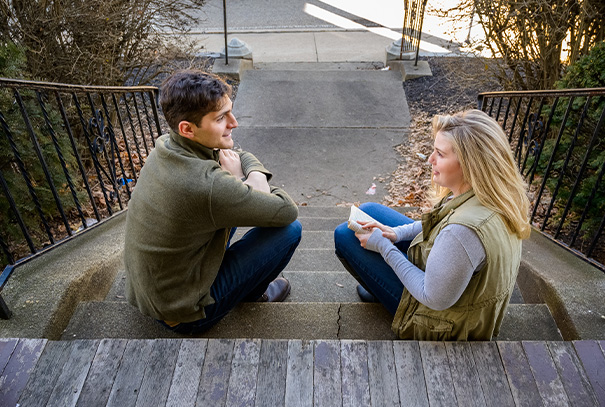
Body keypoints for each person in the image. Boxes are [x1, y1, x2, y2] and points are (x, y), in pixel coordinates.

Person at [124, 70, 302, 335]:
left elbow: (234, 152)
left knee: (235, 204)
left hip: (151, 291)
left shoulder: (167, 145)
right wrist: (246, 178)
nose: (234, 122)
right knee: (289, 231)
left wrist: (242, 180)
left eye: (230, 111)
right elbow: (286, 210)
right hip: (185, 312)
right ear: (187, 128)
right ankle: (252, 295)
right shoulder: (207, 185)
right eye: (221, 118)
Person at [334, 109, 531, 341]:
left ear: (470, 164)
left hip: (442, 321)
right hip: (461, 292)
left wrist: (384, 248)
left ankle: (382, 289)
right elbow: (442, 220)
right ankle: (379, 284)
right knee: (369, 212)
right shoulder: (490, 193)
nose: (430, 159)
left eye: (440, 154)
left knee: (345, 236)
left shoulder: (463, 233)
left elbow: (432, 297)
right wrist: (396, 234)